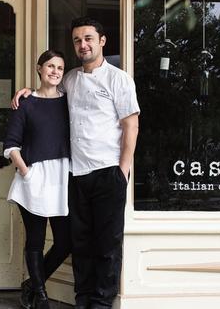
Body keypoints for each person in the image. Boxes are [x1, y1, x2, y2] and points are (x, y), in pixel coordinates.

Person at [12, 17, 140, 309]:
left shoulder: (118, 79)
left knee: (107, 245)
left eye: (88, 39)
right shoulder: (69, 78)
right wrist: (28, 93)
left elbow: (131, 126)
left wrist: (122, 170)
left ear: (102, 41)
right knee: (80, 244)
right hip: (76, 174)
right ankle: (82, 299)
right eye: (77, 40)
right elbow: (49, 95)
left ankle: (101, 302)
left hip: (109, 172)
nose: (83, 45)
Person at [4, 49, 72, 309]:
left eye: (60, 68)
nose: (55, 71)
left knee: (64, 242)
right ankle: (41, 296)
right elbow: (11, 144)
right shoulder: (26, 103)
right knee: (35, 238)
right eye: (50, 66)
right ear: (39, 68)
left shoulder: (68, 102)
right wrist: (26, 173)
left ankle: (31, 284)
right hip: (33, 177)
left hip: (61, 178)